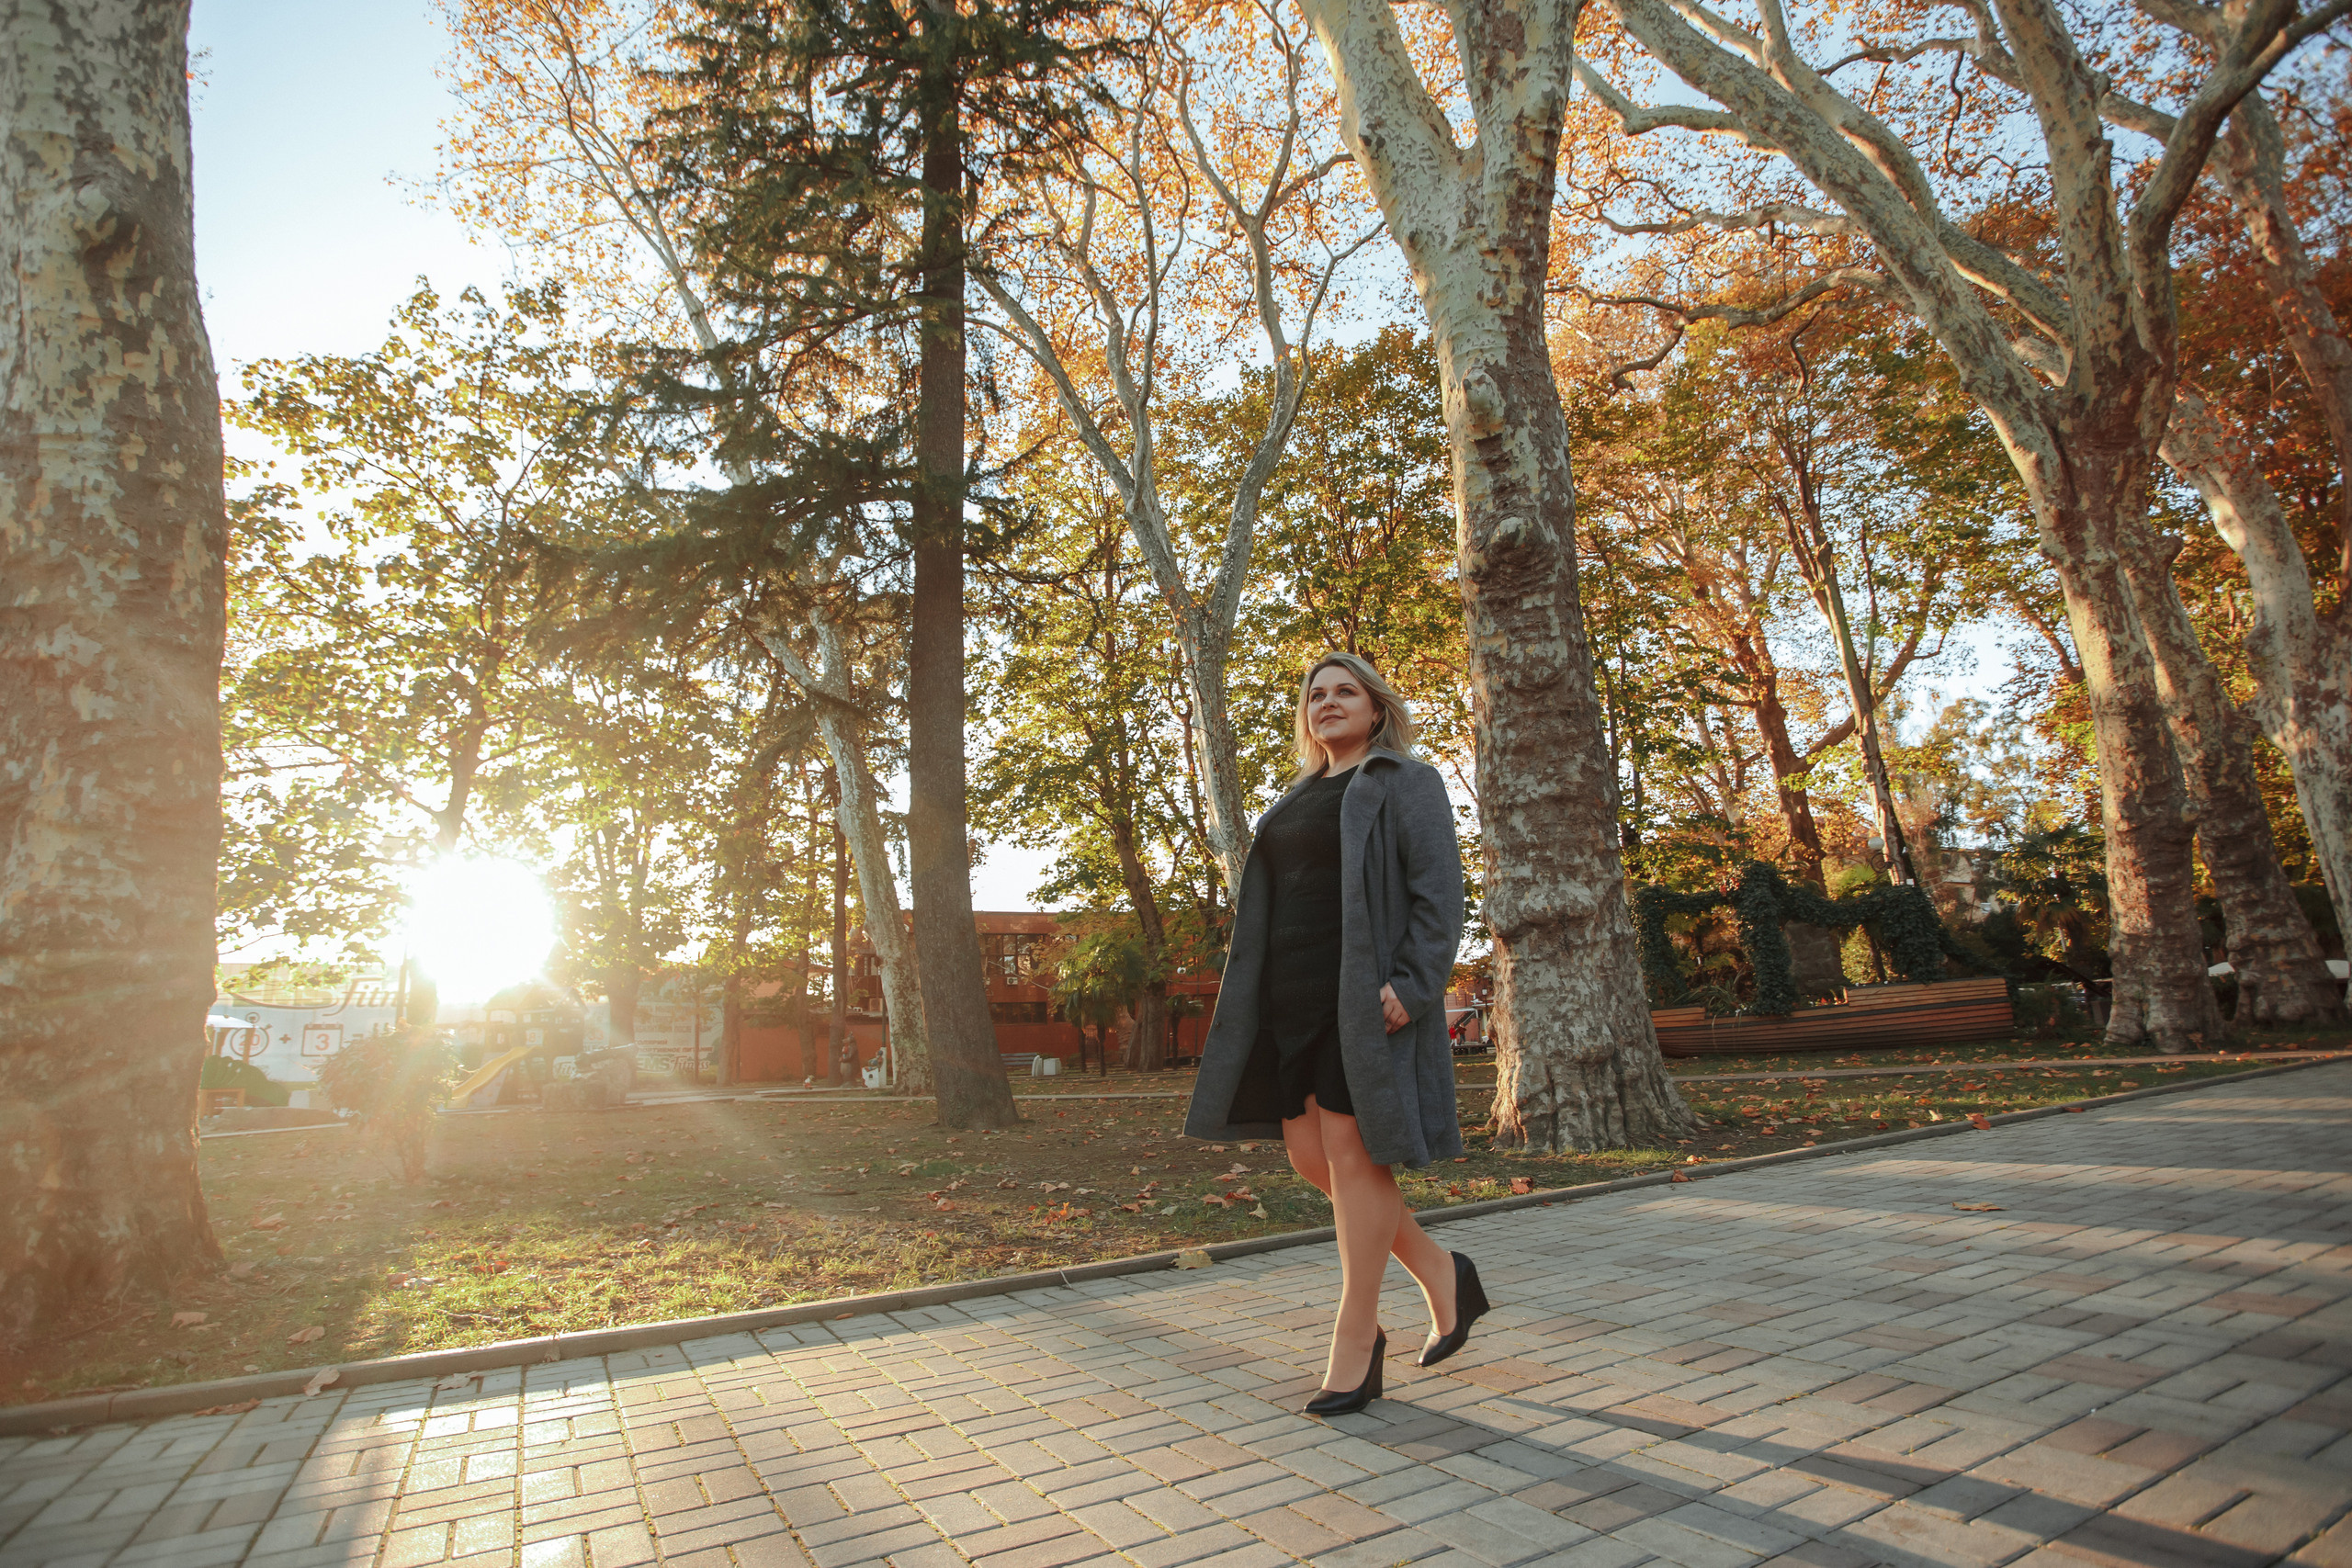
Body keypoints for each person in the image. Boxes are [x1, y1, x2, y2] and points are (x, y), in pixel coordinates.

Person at [1183, 651, 1483, 1416]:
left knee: (1352, 1155)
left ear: (1376, 708)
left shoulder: (1404, 782)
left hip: (1362, 1001)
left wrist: (1414, 987)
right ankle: (1445, 1272)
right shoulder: (1291, 801)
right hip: (1287, 1002)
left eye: (1346, 690)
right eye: (1316, 693)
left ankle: (1358, 1339)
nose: (1329, 701)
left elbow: (1439, 895)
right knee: (1313, 1159)